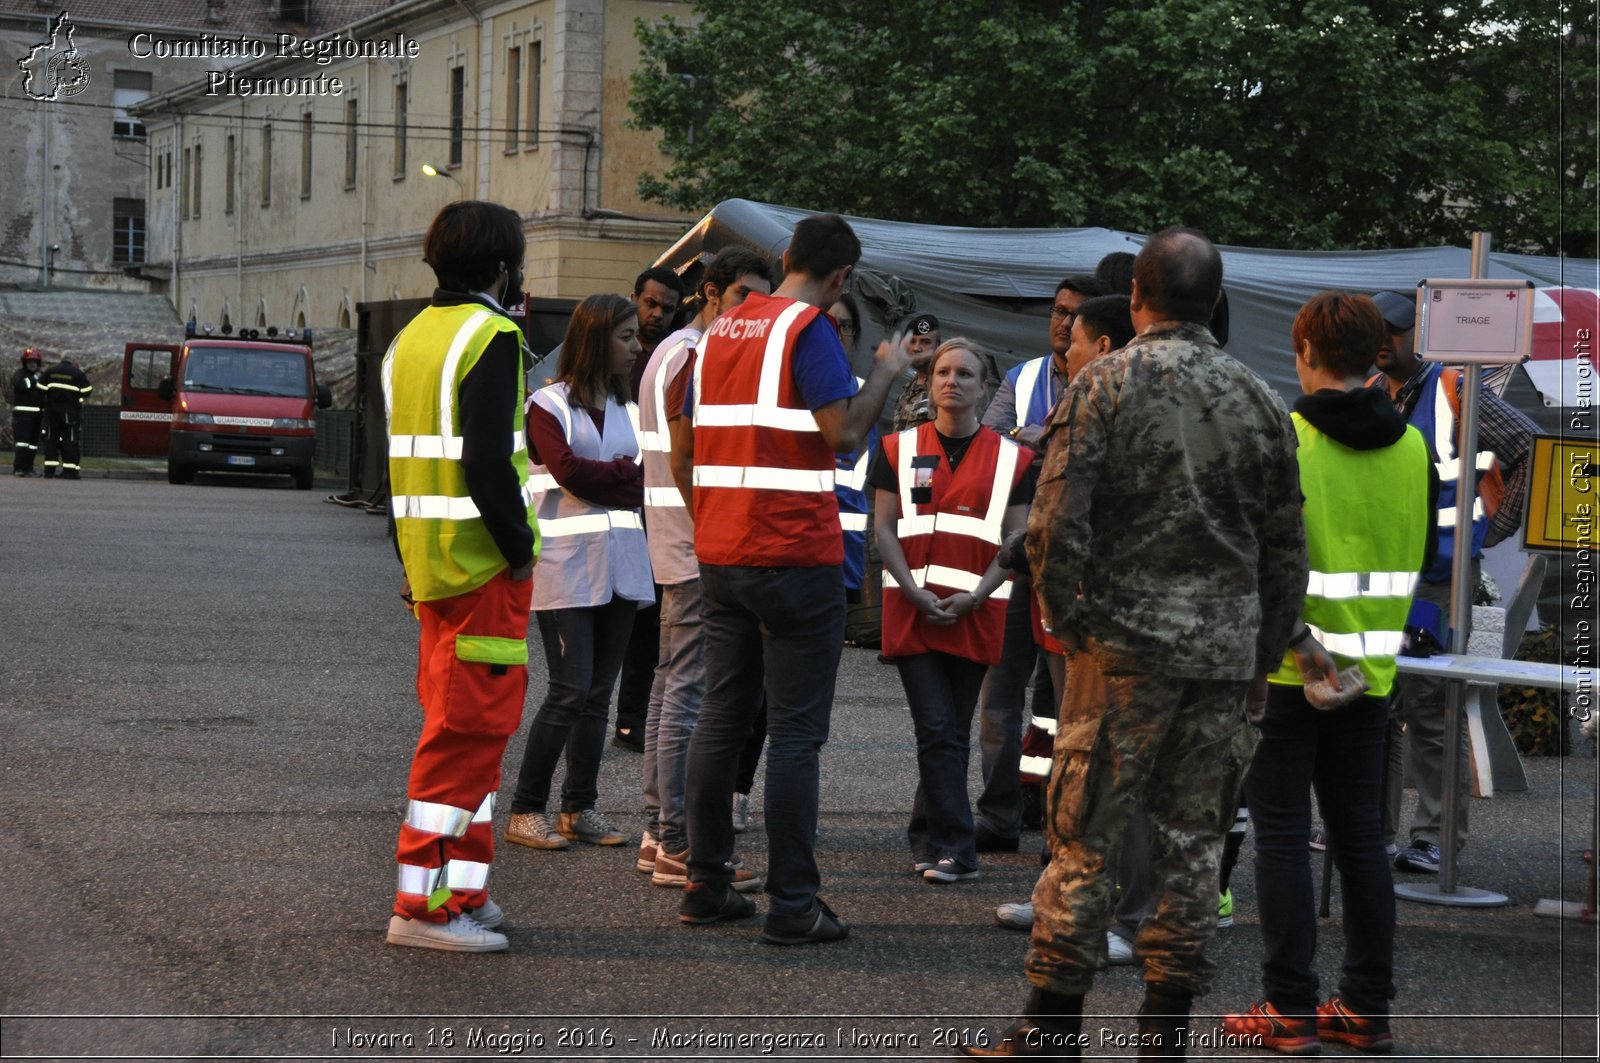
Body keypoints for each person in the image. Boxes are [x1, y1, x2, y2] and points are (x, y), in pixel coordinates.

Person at [964, 228, 1307, 1058]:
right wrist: (1262, 659)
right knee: (1193, 851)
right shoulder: (1258, 397)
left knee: (1085, 840)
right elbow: (1285, 546)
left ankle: (1050, 1030)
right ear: (1216, 303)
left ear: (1139, 300)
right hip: (1220, 660)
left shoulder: (1101, 384)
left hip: (1118, 657)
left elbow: (1053, 526)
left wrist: (1074, 625)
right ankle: (1164, 1037)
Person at [676, 213, 908, 942]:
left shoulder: (720, 332)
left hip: (721, 552)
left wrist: (712, 518)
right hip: (794, 555)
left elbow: (684, 448)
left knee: (720, 716)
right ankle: (793, 903)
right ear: (840, 278)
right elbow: (841, 434)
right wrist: (887, 374)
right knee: (797, 735)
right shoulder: (807, 330)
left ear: (783, 258)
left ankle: (706, 882)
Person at [1220, 291, 1432, 1056]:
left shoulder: (1286, 437)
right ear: (1378, 351)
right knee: (1361, 842)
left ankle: (1289, 1007)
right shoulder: (1413, 447)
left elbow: (1251, 557)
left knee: (1280, 837)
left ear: (1302, 347)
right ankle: (1366, 1006)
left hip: (1286, 668)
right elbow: (1425, 555)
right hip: (1370, 673)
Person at [382, 200, 537, 953]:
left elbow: (399, 465)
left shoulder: (410, 339)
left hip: (433, 569)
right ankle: (424, 907)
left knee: (465, 735)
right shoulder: (495, 334)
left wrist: (408, 560)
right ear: (505, 267)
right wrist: (520, 548)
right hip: (482, 567)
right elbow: (484, 463)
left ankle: (460, 890)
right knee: (466, 734)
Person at [1368, 288, 1537, 874]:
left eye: (1392, 330)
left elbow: (1527, 447)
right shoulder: (1371, 395)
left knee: (1435, 710)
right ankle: (1374, 830)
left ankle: (1435, 839)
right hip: (1383, 577)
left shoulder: (1454, 387)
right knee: (1377, 702)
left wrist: (1485, 533)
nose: (1382, 341)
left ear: (1420, 332)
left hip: (1439, 578)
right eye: (1374, 331)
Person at [636, 246, 773, 888]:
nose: (755, 310)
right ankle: (676, 842)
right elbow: (687, 460)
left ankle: (656, 833)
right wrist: (714, 529)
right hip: (695, 542)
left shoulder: (671, 351)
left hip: (677, 540)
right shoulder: (692, 353)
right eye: (744, 295)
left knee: (672, 685)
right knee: (689, 690)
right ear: (712, 292)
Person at [872, 339, 1032, 884]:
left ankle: (926, 834)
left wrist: (978, 595)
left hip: (975, 611)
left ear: (983, 387)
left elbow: (1017, 539)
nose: (952, 381)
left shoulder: (1015, 459)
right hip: (912, 608)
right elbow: (884, 530)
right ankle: (958, 847)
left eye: (966, 373)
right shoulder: (896, 449)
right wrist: (912, 589)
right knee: (937, 727)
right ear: (929, 381)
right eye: (943, 371)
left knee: (950, 729)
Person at [505, 294, 653, 852]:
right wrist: (618, 473)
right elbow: (567, 474)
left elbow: (645, 477)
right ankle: (525, 810)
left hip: (622, 566)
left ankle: (579, 807)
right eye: (626, 336)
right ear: (595, 339)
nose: (637, 347)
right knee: (568, 692)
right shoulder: (547, 405)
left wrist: (613, 474)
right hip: (565, 570)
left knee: (598, 694)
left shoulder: (630, 409)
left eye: (637, 336)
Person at [729, 291, 873, 836]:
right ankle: (736, 797)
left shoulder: (864, 396)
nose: (832, 335)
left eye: (843, 329)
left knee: (794, 711)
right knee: (754, 701)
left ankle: (753, 803)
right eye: (827, 325)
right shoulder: (790, 388)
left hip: (840, 564)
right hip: (786, 553)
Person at [974, 275, 1105, 853]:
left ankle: (1058, 828)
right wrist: (1044, 440)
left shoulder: (1108, 382)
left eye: (1074, 316)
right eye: (1057, 312)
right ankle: (998, 817)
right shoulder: (1022, 377)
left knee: (1065, 705)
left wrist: (1037, 439)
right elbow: (993, 443)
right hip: (1016, 553)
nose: (1062, 323)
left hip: (1069, 562)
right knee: (999, 694)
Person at [615, 265, 689, 752]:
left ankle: (636, 719)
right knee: (630, 618)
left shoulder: (677, 356)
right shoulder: (615, 354)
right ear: (636, 298)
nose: (656, 314)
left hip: (659, 501)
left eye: (665, 306)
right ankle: (627, 719)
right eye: (649, 302)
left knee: (654, 619)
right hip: (620, 499)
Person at [40, 353, 91, 479]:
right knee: (70, 440)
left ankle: (49, 471)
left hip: (52, 412)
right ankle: (69, 471)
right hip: (70, 413)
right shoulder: (78, 373)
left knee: (51, 440)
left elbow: (40, 388)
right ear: (73, 361)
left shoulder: (50, 371)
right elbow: (87, 391)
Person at [889, 312, 941, 431]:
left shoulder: (944, 387)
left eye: (925, 342)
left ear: (938, 346)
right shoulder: (909, 387)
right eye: (912, 341)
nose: (916, 348)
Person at [11, 348, 44, 476]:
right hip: (23, 416)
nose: (32, 364)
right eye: (30, 361)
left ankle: (29, 468)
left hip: (37, 416)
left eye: (35, 362)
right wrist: (35, 377)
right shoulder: (20, 374)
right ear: (25, 362)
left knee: (33, 444)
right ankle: (19, 468)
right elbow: (23, 385)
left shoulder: (41, 376)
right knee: (22, 443)